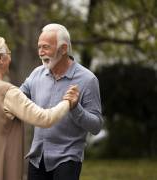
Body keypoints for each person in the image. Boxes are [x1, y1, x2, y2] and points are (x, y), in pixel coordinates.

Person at [0, 32, 79, 180]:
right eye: (8, 53)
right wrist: (68, 102)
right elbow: (45, 118)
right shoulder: (7, 92)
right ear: (0, 58)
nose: (10, 58)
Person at [20, 24, 103, 180]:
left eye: (46, 47)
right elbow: (16, 98)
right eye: (39, 47)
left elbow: (96, 126)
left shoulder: (88, 79)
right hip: (37, 158)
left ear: (63, 49)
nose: (40, 52)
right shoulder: (36, 74)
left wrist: (75, 108)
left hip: (68, 159)